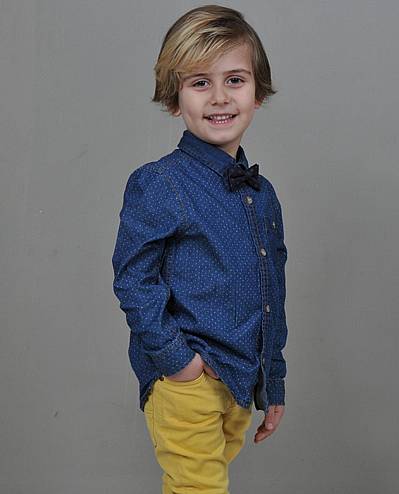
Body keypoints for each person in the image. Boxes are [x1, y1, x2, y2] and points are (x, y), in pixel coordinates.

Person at [111, 5, 289, 493]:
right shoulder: (159, 183)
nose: (219, 97)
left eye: (235, 80)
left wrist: (272, 381)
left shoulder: (263, 194)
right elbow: (134, 280)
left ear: (257, 93)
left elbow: (271, 291)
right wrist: (179, 363)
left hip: (241, 381)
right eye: (200, 82)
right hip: (189, 381)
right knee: (199, 489)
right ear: (175, 99)